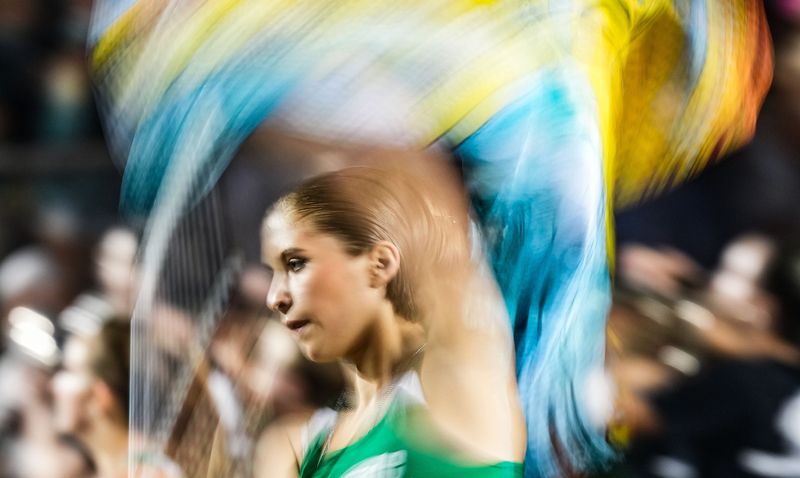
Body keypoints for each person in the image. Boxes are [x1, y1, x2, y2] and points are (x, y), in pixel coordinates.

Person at [255, 166, 526, 477]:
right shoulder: (307, 449)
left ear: (380, 264)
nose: (274, 297)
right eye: (272, 272)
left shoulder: (453, 375)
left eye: (296, 263)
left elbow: (447, 205)